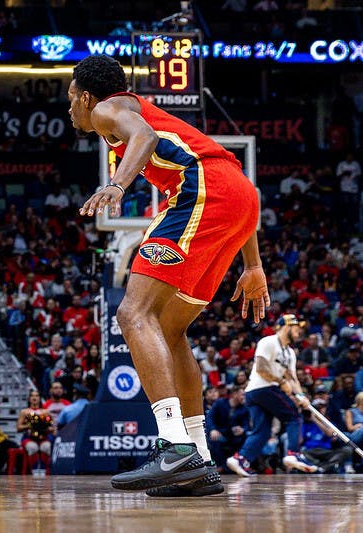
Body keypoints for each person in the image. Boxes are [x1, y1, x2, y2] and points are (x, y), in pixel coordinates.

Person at [69, 55, 268, 496]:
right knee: (170, 330)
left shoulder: (109, 108)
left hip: (202, 193)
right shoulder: (129, 109)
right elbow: (236, 183)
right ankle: (198, 459)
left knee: (132, 313)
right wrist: (251, 263)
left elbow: (144, 136)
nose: (70, 110)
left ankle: (174, 446)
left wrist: (117, 185)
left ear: (85, 96)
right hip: (237, 198)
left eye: (70, 99)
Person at [226, 315, 316, 477]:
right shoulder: (268, 342)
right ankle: (293, 453)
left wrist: (301, 395)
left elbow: (292, 378)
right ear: (285, 327)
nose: (299, 332)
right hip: (263, 388)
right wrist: (281, 382)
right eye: (296, 328)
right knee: (293, 417)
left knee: (263, 431)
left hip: (257, 393)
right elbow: (261, 368)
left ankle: (240, 459)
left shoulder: (289, 353)